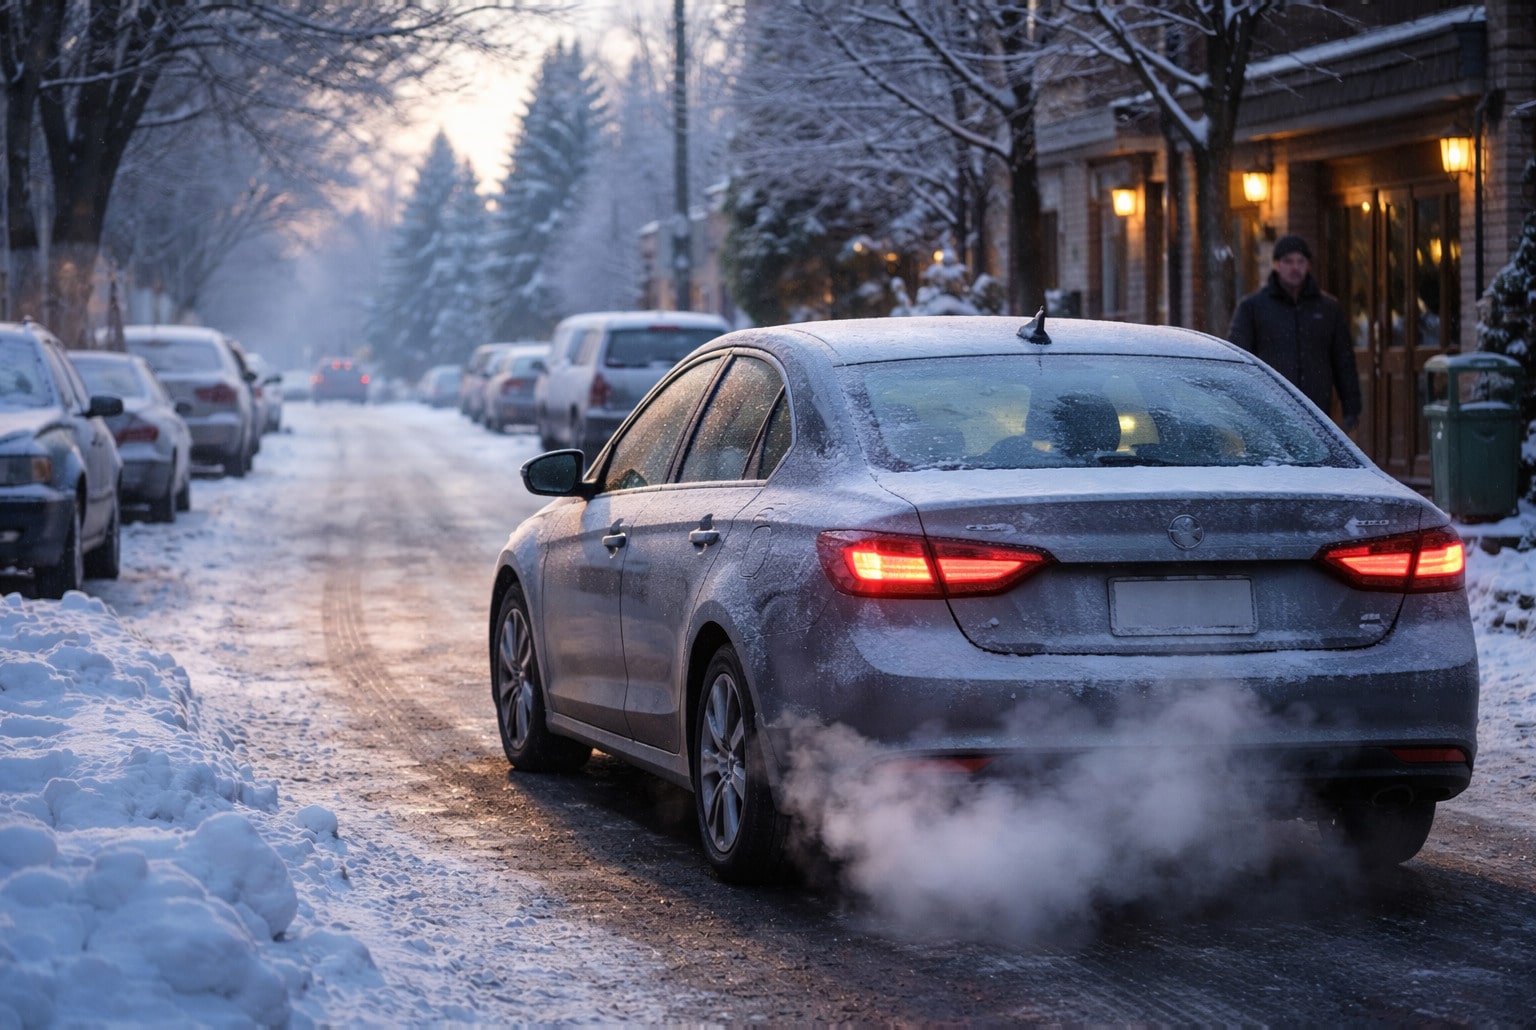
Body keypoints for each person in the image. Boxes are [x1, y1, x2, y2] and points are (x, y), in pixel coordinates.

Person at [1228, 234, 1361, 432]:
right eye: (1288, 261)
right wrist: (1241, 405)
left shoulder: (1327, 309)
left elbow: (1344, 361)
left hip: (1316, 409)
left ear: (1308, 266)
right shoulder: (1253, 308)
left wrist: (1352, 407)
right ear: (1276, 265)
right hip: (1269, 410)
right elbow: (1238, 358)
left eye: (1301, 261)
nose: (1295, 267)